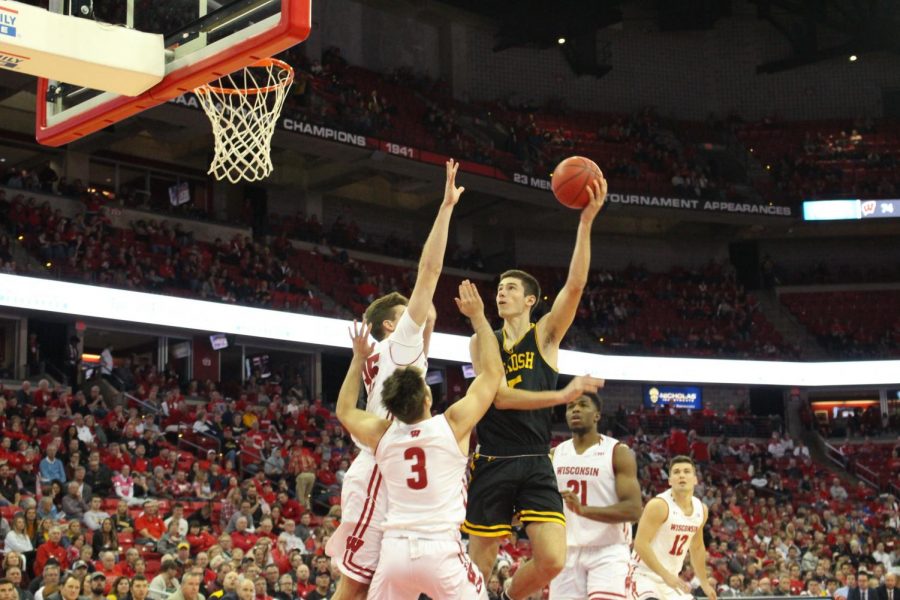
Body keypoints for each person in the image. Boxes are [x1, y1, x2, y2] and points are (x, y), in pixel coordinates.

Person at [325, 159, 465, 600]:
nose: (417, 316)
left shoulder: (397, 361)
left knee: (384, 586)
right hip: (380, 469)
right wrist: (444, 208)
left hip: (395, 468)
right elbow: (429, 273)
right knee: (356, 586)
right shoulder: (398, 346)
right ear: (390, 326)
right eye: (407, 314)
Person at [464, 178, 608, 600]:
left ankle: (510, 597)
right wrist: (562, 396)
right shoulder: (482, 340)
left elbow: (575, 286)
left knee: (552, 560)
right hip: (492, 457)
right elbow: (500, 398)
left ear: (530, 301)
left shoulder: (545, 335)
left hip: (534, 458)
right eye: (499, 289)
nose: (501, 293)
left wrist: (585, 223)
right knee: (480, 562)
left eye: (510, 288)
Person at [335, 280, 503, 599]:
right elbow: (492, 375)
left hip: (395, 550)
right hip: (439, 548)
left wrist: (356, 358)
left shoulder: (384, 435)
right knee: (350, 588)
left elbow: (344, 409)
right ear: (428, 397)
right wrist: (479, 318)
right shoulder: (451, 425)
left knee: (356, 590)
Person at [549, 392, 642, 600]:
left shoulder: (617, 452)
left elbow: (634, 509)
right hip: (566, 551)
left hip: (609, 551)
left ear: (597, 416)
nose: (575, 409)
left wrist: (585, 510)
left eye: (583, 405)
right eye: (570, 406)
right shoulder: (555, 454)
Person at [626, 456, 717, 600]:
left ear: (695, 479)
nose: (681, 475)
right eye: (676, 472)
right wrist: (666, 575)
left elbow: (697, 547)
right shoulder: (659, 505)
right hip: (642, 576)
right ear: (669, 481)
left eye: (687, 471)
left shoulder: (701, 509)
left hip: (671, 580)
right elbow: (640, 544)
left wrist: (704, 583)